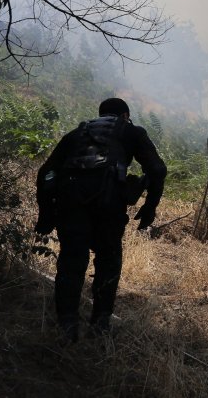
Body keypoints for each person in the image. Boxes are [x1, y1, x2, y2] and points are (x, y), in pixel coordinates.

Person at [35, 98, 167, 342]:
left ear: (101, 114)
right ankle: (100, 325)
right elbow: (157, 169)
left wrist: (45, 214)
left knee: (71, 262)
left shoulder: (76, 134)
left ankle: (67, 326)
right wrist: (150, 207)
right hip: (109, 204)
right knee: (108, 260)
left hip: (71, 202)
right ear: (125, 115)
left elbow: (45, 173)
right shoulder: (131, 131)